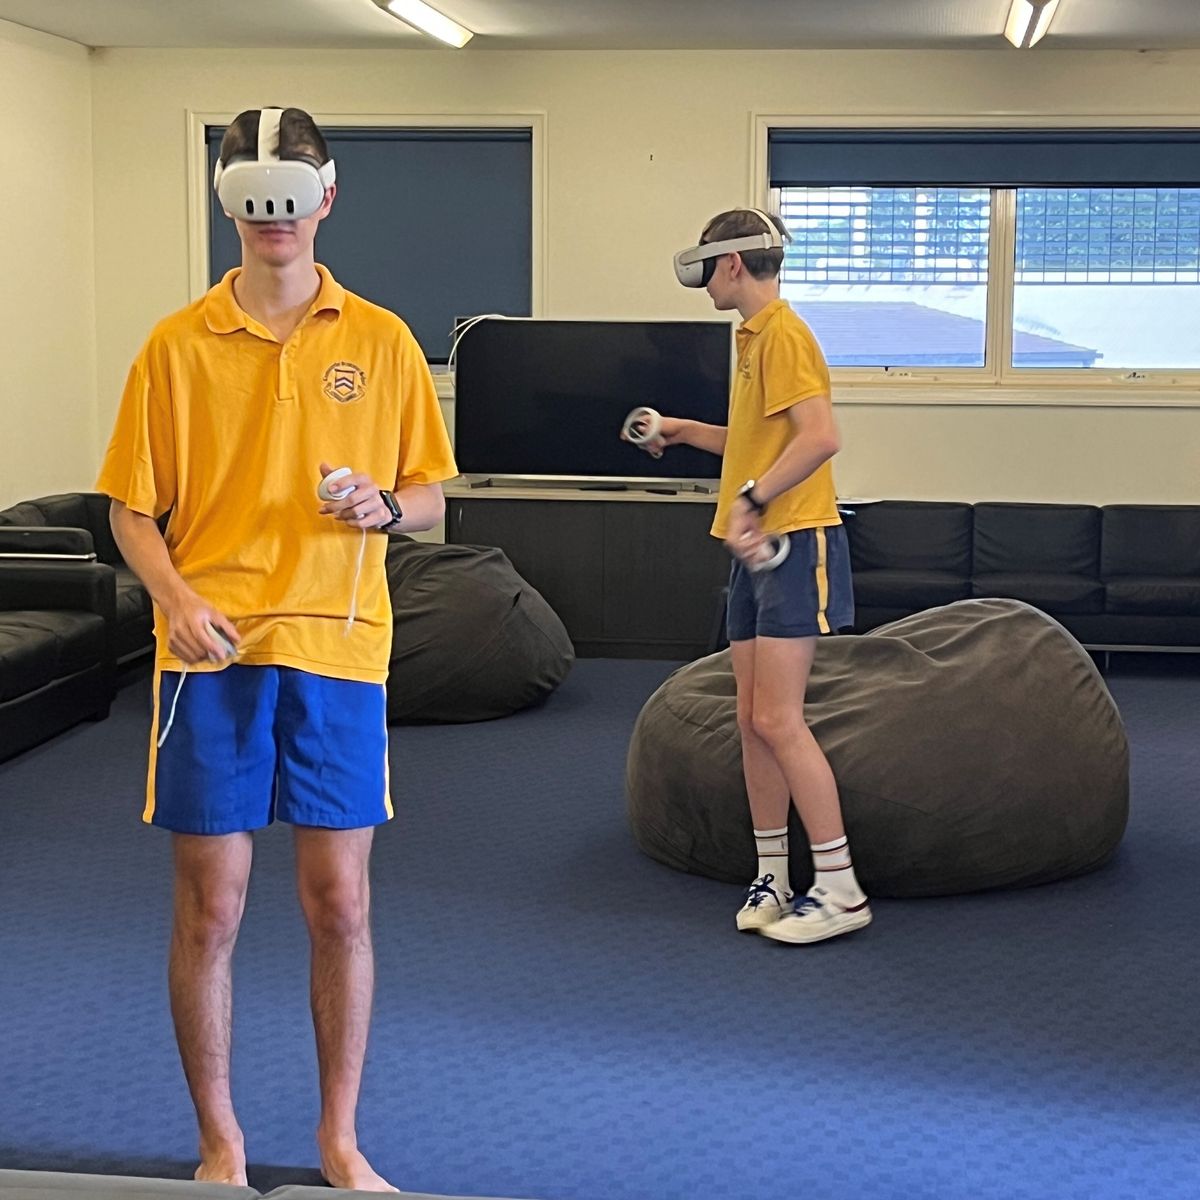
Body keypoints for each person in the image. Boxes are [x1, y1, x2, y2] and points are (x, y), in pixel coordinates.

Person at [97, 106, 457, 1191]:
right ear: (230, 206)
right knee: (211, 908)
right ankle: (222, 1143)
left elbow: (432, 498)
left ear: (327, 198)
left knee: (339, 904)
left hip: (338, 648)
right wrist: (172, 599)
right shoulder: (175, 345)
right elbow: (129, 509)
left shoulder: (383, 339)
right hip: (208, 654)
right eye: (254, 205)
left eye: (292, 203)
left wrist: (383, 508)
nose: (274, 223)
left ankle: (339, 1140)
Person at [635, 207, 870, 945]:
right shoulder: (753, 338)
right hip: (755, 546)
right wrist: (681, 431)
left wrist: (752, 499)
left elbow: (820, 438)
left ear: (732, 263)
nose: (704, 280)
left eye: (708, 264)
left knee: (777, 719)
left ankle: (841, 890)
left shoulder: (786, 335)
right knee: (749, 718)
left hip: (793, 540)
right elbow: (757, 439)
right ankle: (774, 875)